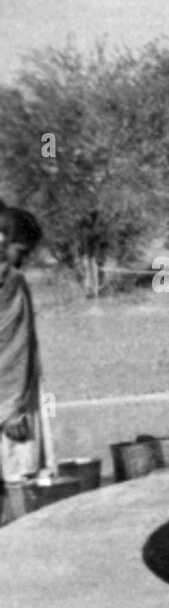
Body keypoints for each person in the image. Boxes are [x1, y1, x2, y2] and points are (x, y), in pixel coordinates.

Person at [0, 207, 45, 491]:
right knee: (16, 480)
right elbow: (12, 349)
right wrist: (9, 409)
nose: (25, 260)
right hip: (9, 403)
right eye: (23, 250)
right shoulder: (11, 282)